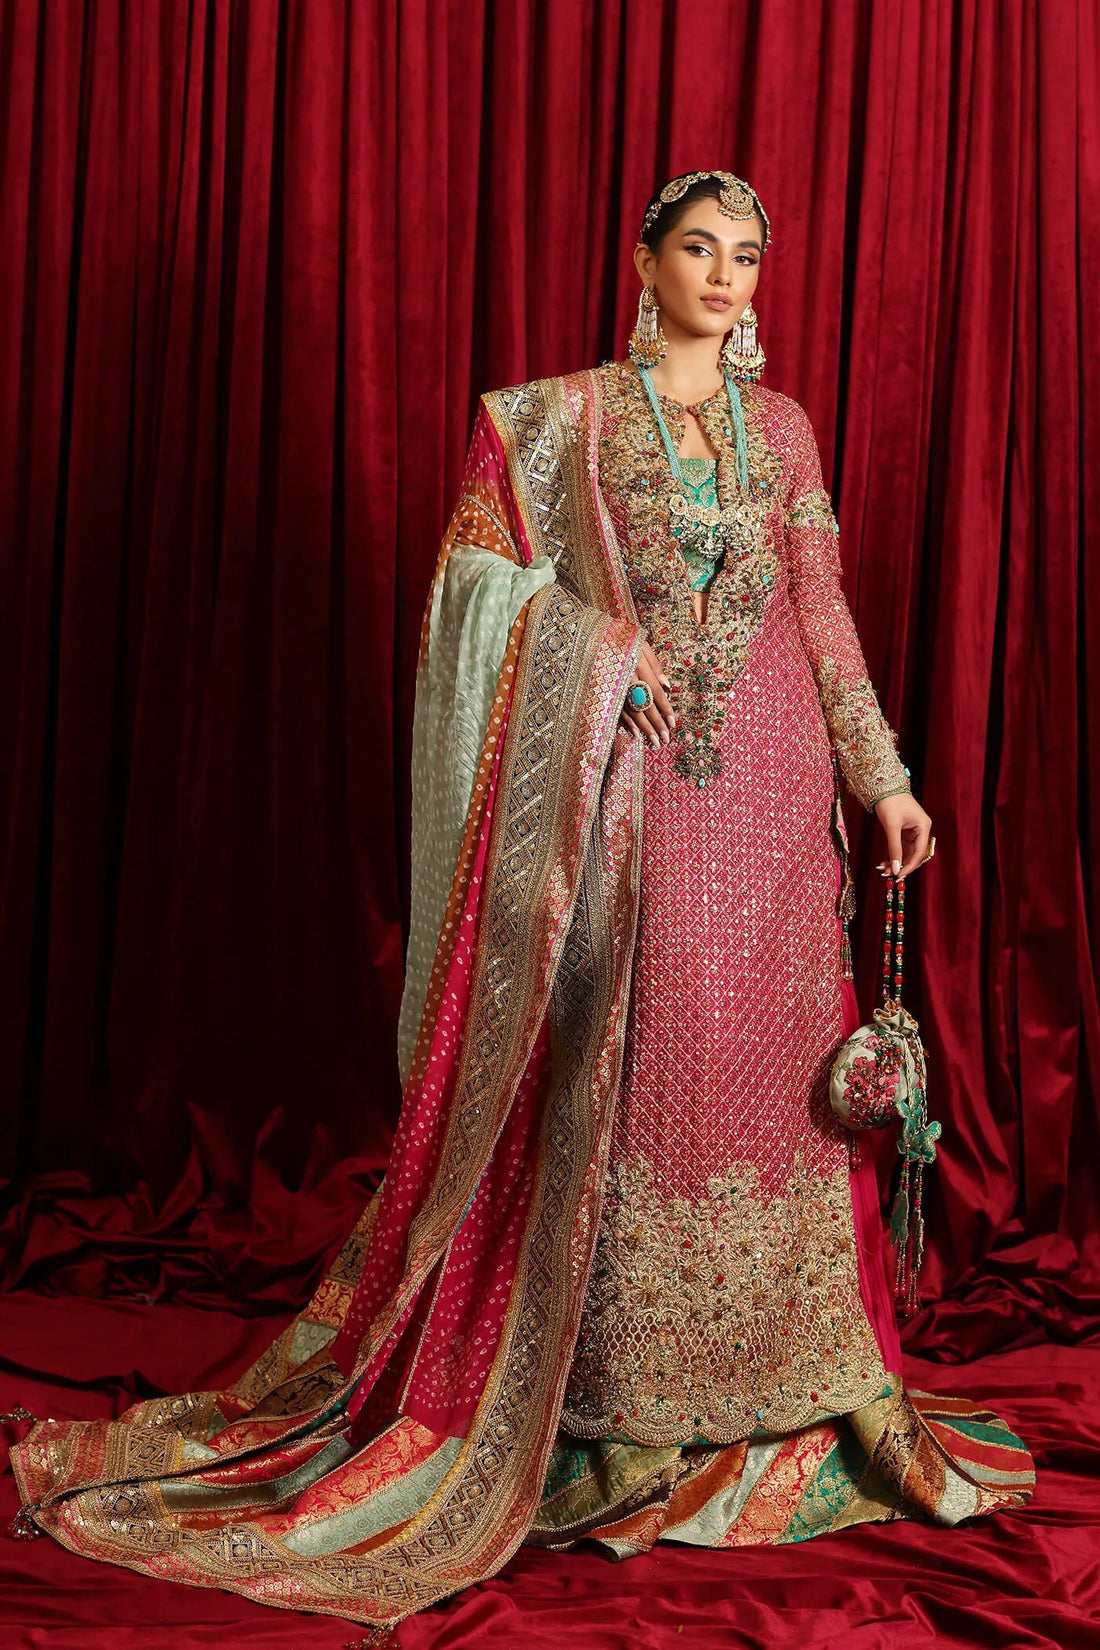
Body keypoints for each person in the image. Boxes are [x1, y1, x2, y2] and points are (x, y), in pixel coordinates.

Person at [9, 171, 1034, 1631]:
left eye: (748, 256)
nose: (727, 276)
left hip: (771, 800)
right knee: (646, 1068)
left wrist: (883, 780)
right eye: (700, 248)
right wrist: (600, 648)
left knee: (771, 1087)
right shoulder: (562, 424)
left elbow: (824, 613)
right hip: (628, 794)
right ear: (645, 260)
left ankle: (788, 1387)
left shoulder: (787, 429)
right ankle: (612, 1404)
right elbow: (472, 584)